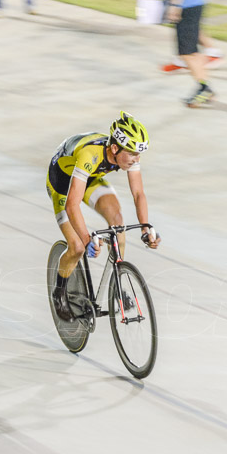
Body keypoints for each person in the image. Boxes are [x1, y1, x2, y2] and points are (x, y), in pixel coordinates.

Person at [47, 112, 161, 321]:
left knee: (117, 222)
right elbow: (72, 204)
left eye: (139, 154)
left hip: (89, 179)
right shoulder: (90, 155)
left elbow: (138, 193)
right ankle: (59, 293)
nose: (137, 159)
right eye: (133, 153)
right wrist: (86, 238)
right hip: (62, 184)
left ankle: (116, 282)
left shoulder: (126, 153)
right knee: (78, 247)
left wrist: (146, 228)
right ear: (115, 148)